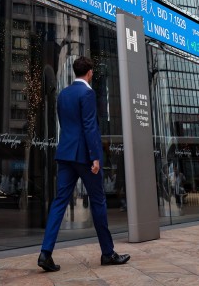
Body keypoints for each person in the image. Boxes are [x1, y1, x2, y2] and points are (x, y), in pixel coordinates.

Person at [37, 57, 130, 272]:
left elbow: (65, 124)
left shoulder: (63, 94)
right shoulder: (87, 93)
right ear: (89, 72)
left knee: (59, 202)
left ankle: (45, 253)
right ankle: (107, 253)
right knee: (98, 201)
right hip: (84, 157)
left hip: (65, 154)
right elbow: (89, 126)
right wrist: (95, 157)